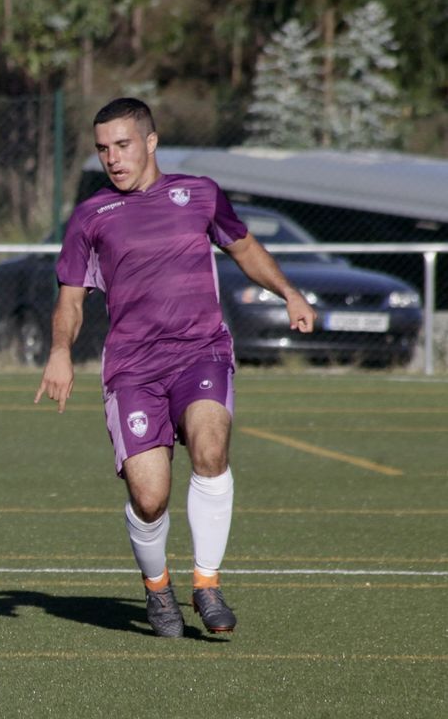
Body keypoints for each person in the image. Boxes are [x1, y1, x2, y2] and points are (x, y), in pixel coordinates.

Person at [34, 97, 316, 637]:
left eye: (122, 145)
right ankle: (158, 587)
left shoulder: (200, 194)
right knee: (149, 498)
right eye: (102, 149)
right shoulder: (91, 216)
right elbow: (70, 299)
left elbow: (244, 248)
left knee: (211, 448)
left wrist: (289, 293)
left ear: (151, 141)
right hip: (133, 368)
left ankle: (206, 584)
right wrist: (60, 351)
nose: (113, 158)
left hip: (201, 350)